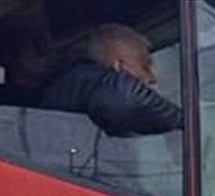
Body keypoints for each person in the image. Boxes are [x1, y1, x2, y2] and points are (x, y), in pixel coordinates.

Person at [37, 23, 184, 136]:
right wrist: (185, 122)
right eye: (145, 66)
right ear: (119, 66)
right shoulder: (89, 83)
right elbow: (128, 98)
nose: (152, 78)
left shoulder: (78, 87)